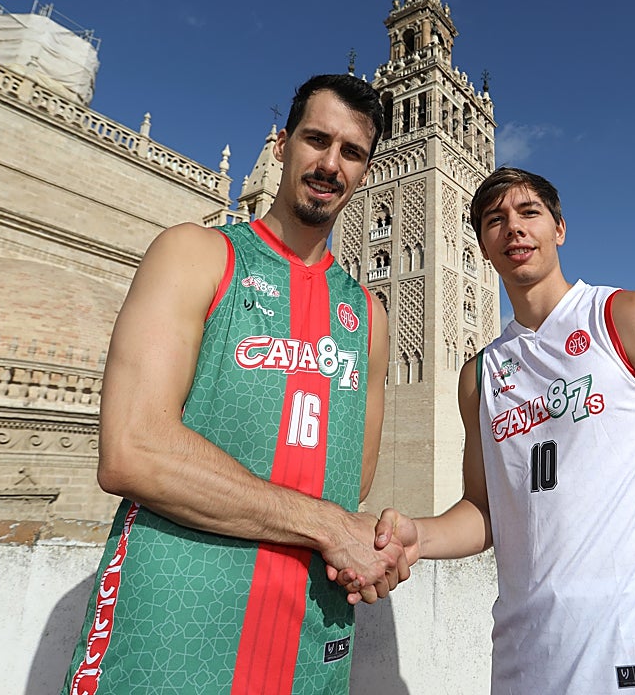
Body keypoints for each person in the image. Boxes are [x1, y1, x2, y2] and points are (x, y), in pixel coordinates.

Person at [341, 167, 635, 694]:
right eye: (495, 220)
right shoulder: (481, 375)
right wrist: (417, 536)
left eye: (529, 213)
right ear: (481, 247)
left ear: (559, 228)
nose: (513, 228)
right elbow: (486, 509)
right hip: (525, 663)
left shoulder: (628, 320)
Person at [61, 74, 407, 695]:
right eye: (316, 140)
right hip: (170, 634)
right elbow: (131, 452)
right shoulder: (194, 254)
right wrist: (330, 529)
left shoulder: (369, 318)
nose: (330, 164)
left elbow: (348, 479)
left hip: (311, 642)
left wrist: (371, 543)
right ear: (282, 145)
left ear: (365, 171)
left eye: (351, 152)